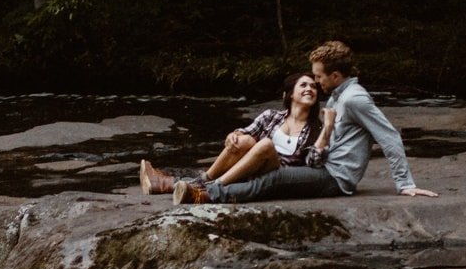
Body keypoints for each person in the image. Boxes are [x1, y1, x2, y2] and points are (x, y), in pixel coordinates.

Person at [170, 39, 437, 204]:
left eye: (319, 77)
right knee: (269, 169)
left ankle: (208, 195)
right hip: (323, 168)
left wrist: (405, 184)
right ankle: (199, 186)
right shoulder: (336, 98)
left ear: (335, 75)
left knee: (276, 179)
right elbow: (323, 146)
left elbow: (389, 136)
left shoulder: (355, 99)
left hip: (336, 179)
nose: (317, 83)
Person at [138, 71, 328, 196]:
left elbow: (314, 164)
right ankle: (197, 181)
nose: (309, 89)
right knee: (243, 140)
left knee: (265, 144)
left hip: (276, 176)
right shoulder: (272, 116)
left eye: (313, 86)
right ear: (289, 94)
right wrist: (234, 135)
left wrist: (328, 129)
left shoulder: (315, 128)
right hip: (249, 165)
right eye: (303, 85)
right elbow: (247, 132)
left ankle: (209, 187)